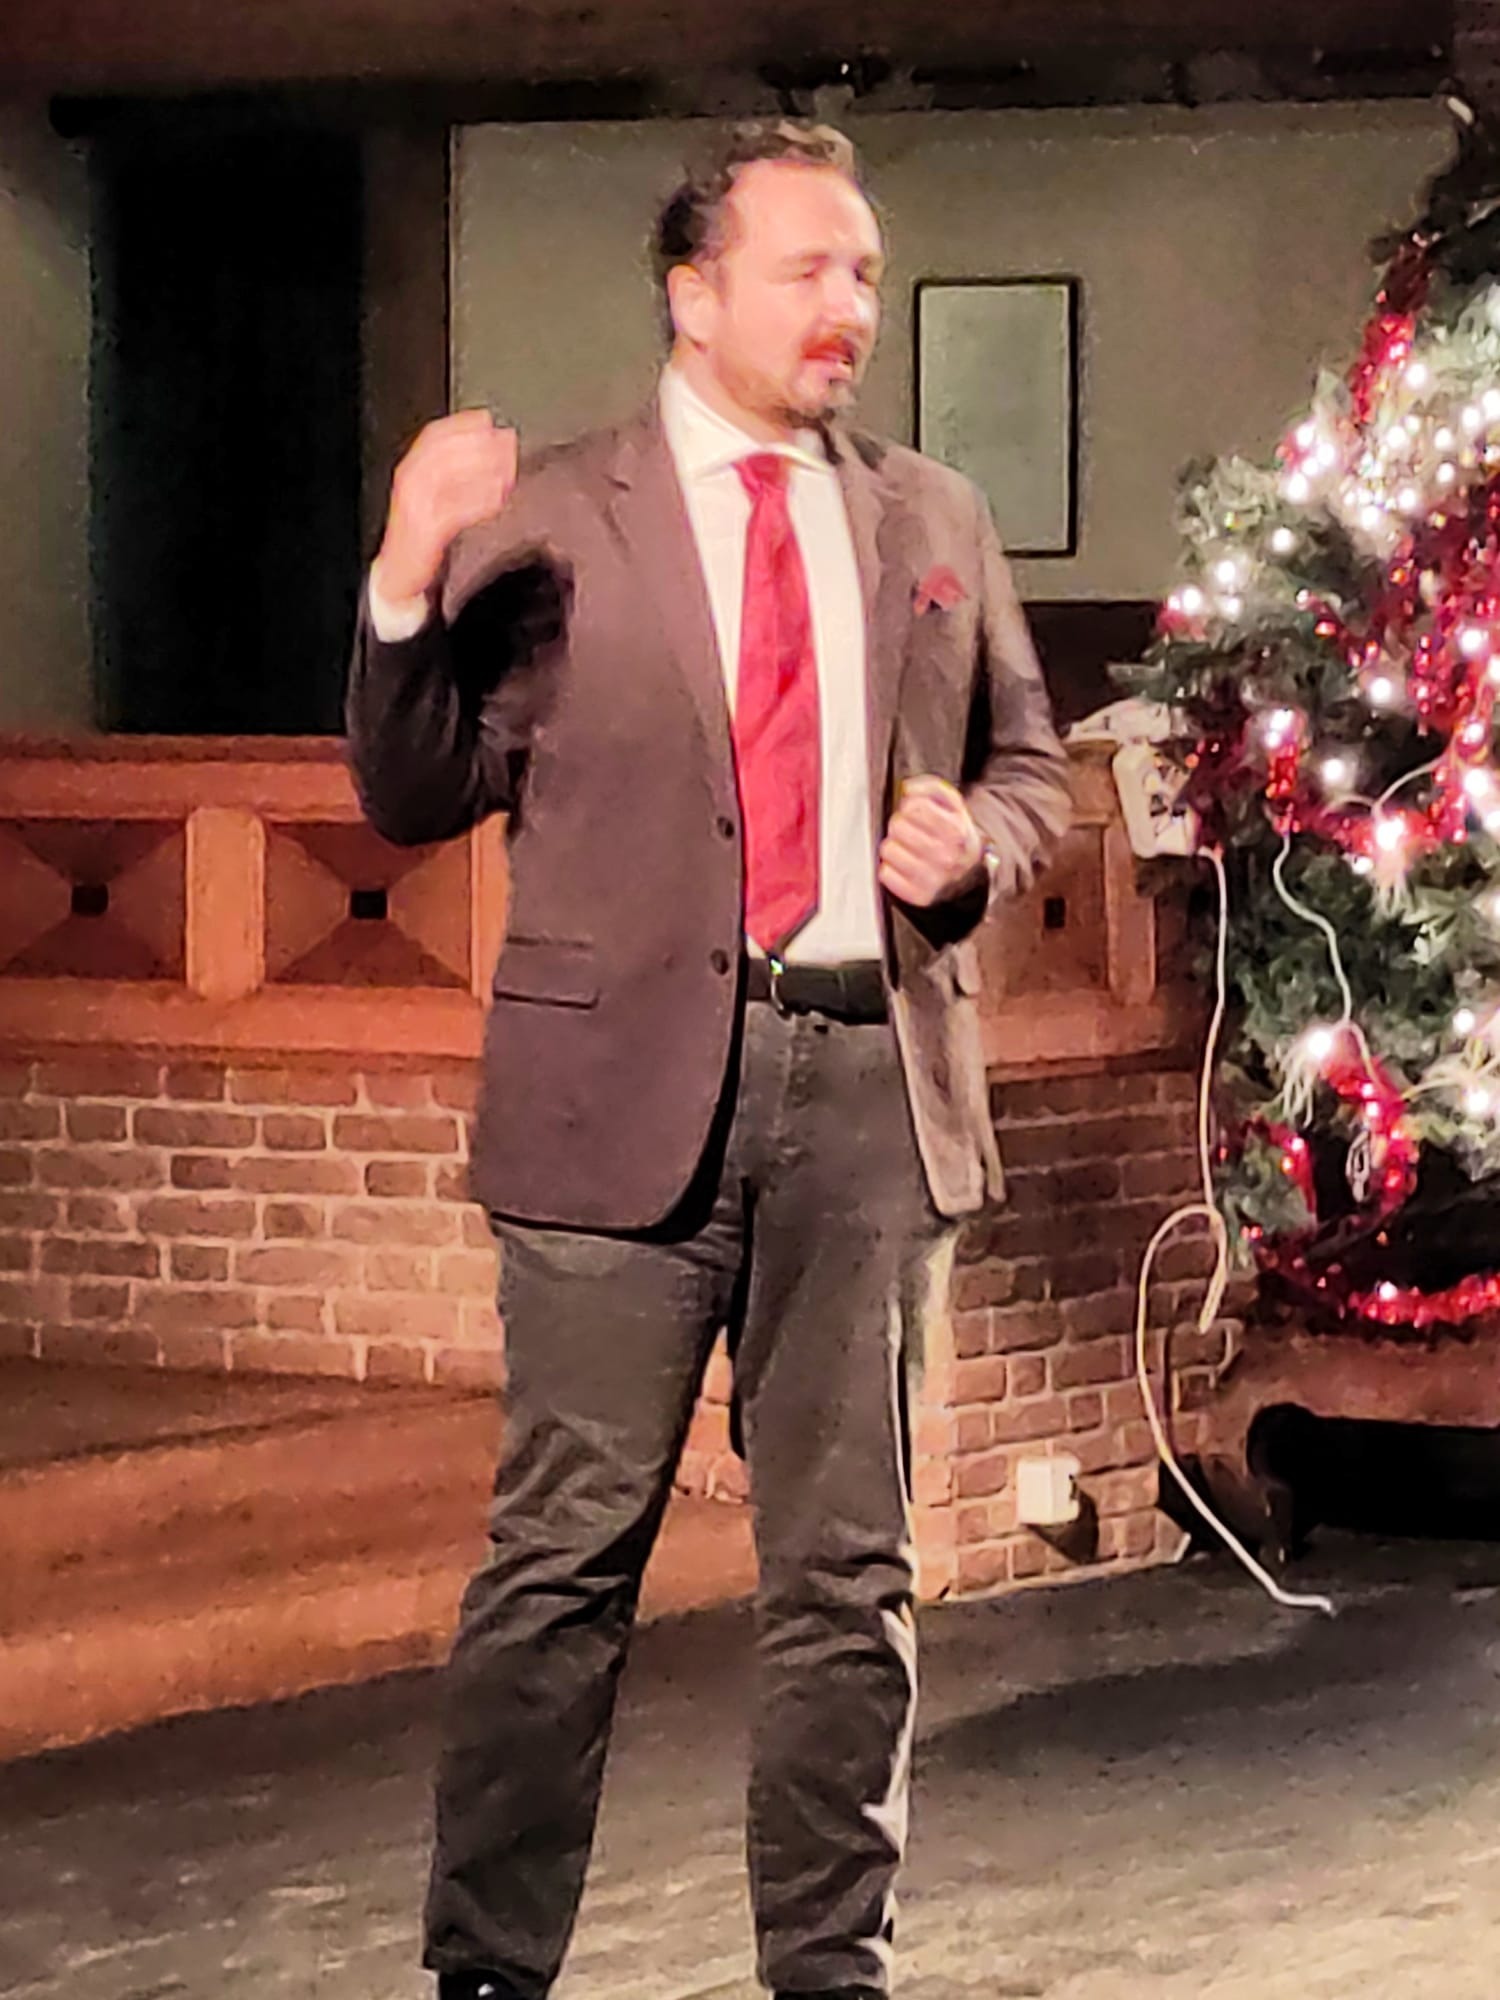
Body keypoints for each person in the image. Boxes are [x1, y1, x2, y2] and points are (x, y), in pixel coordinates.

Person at [347, 119, 1071, 2000]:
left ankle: (831, 1969)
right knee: (561, 1570)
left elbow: (1034, 768)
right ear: (692, 294)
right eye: (807, 269)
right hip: (617, 1106)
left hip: (869, 1096)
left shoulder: (933, 517)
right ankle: (486, 1971)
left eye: (864, 273)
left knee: (850, 1577)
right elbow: (412, 792)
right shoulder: (551, 520)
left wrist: (977, 845)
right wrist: (408, 570)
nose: (851, 307)